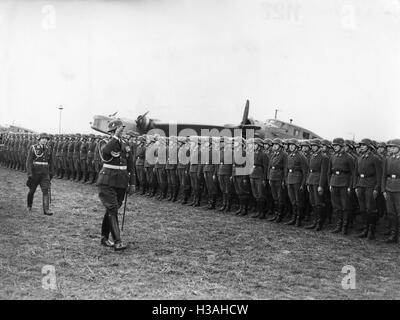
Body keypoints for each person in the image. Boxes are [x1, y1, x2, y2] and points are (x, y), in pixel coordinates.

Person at [96, 119, 135, 251]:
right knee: (112, 208)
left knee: (112, 209)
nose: (122, 131)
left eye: (122, 130)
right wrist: (115, 137)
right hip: (107, 181)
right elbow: (106, 152)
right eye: (119, 129)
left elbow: (131, 165)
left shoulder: (126, 144)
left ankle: (104, 238)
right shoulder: (104, 142)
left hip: (121, 181)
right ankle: (117, 241)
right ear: (112, 131)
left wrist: (132, 183)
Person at [354, 138, 382, 240]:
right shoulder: (359, 158)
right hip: (361, 185)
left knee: (371, 209)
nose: (361, 146)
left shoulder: (375, 159)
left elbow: (379, 175)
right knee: (362, 209)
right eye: (360, 145)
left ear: (369, 147)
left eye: (363, 145)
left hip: (370, 185)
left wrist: (377, 188)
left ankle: (371, 231)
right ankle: (365, 229)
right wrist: (356, 186)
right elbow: (356, 174)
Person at [328, 137, 355, 235]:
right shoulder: (333, 156)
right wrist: (330, 183)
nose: (335, 147)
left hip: (344, 183)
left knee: (345, 206)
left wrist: (350, 186)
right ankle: (338, 225)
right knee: (336, 206)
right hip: (334, 183)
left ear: (342, 146)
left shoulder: (349, 157)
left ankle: (345, 226)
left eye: (337, 145)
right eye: (334, 145)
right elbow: (329, 172)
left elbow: (353, 173)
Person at [25, 132, 54, 215]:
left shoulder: (49, 148)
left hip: (45, 173)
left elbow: (51, 162)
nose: (45, 140)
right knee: (32, 191)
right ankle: (29, 205)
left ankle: (46, 209)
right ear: (39, 139)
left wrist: (51, 173)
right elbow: (29, 162)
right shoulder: (33, 147)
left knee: (46, 191)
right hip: (35, 173)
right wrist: (29, 174)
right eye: (43, 138)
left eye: (46, 139)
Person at [382, 139, 400, 243]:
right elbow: (384, 174)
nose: (391, 149)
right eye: (391, 147)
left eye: (394, 147)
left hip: (398, 188)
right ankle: (393, 234)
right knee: (391, 212)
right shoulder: (388, 159)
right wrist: (384, 189)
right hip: (389, 187)